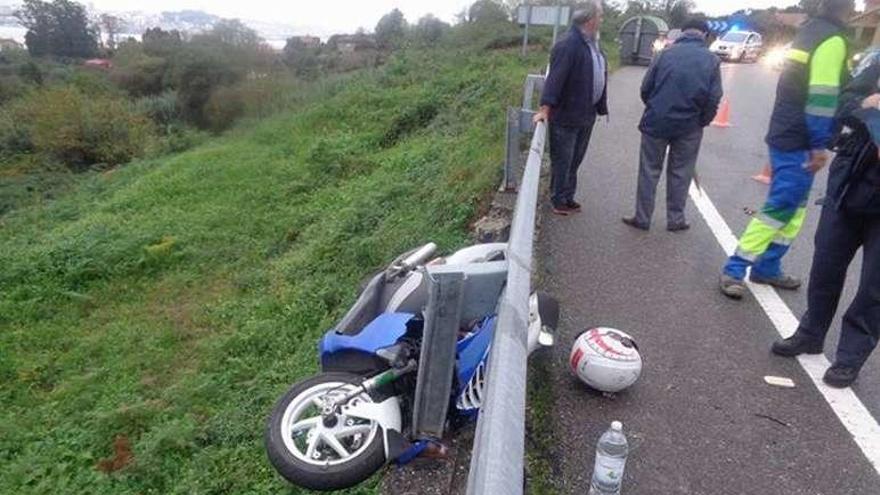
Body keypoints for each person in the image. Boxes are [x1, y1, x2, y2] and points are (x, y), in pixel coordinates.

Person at [720, 0, 853, 299]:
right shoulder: (831, 40)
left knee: (793, 210)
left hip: (788, 131)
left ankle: (768, 266)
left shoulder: (809, 32)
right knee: (780, 208)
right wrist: (819, 144)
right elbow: (822, 96)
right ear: (847, 9)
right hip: (801, 139)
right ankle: (735, 268)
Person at [770, 58, 880, 388]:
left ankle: (850, 357)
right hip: (850, 185)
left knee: (874, 287)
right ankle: (810, 333)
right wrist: (865, 103)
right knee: (825, 267)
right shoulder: (876, 64)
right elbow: (841, 101)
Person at [622, 19, 722, 232]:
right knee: (681, 172)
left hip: (657, 122)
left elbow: (645, 88)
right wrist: (702, 121)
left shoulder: (664, 55)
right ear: (704, 34)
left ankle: (642, 218)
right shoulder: (711, 60)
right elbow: (714, 98)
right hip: (690, 126)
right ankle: (676, 220)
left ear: (682, 33)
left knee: (649, 170)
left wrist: (655, 108)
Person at [533, 1, 608, 216]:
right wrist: (545, 108)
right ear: (589, 18)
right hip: (567, 116)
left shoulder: (592, 44)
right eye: (600, 16)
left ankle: (567, 196)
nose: (602, 20)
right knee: (563, 161)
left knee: (575, 160)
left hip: (586, 114)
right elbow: (555, 80)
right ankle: (557, 199)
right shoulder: (568, 44)